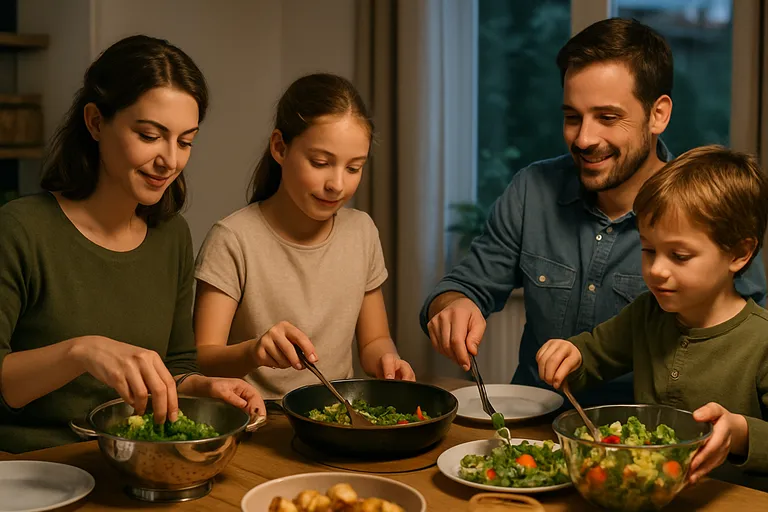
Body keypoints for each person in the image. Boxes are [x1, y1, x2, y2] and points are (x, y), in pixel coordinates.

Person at [419, 18, 766, 405]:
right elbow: (462, 286)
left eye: (607, 117)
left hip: (638, 441)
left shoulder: (707, 212)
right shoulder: (531, 190)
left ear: (659, 115)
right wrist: (455, 305)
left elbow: (749, 342)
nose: (584, 138)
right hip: (533, 425)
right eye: (572, 117)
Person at [0, 35, 264, 453]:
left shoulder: (172, 235)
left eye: (185, 141)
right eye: (149, 135)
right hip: (32, 468)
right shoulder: (19, 229)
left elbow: (177, 366)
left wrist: (207, 387)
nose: (170, 161)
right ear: (95, 122)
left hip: (133, 461)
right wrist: (81, 352)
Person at [537, 145, 768, 484]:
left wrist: (741, 432)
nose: (657, 270)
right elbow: (593, 353)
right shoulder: (646, 313)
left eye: (679, 255)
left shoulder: (761, 341)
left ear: (739, 253)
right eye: (648, 250)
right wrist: (570, 354)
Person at [193, 73, 415, 398]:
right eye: (321, 162)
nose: (337, 184)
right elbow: (203, 358)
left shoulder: (362, 232)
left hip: (337, 416)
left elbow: (373, 340)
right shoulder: (233, 239)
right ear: (280, 148)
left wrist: (387, 360)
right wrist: (255, 351)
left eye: (354, 168)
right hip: (259, 419)